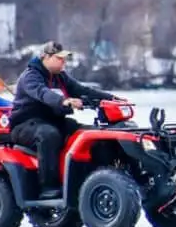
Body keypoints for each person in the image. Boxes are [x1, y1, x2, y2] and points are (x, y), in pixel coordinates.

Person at [9, 41, 120, 199]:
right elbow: (43, 93)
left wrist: (112, 99)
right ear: (46, 57)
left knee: (91, 134)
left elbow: (82, 90)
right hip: (25, 125)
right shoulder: (30, 76)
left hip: (54, 121)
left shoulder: (60, 77)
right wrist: (62, 101)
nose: (64, 62)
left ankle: (93, 178)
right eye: (59, 58)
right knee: (49, 135)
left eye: (65, 58)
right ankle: (48, 187)